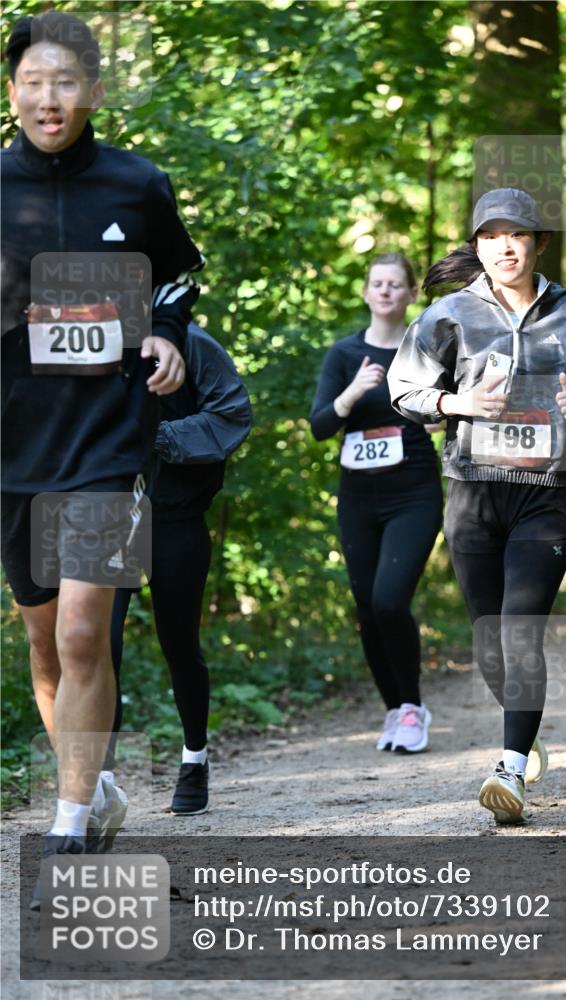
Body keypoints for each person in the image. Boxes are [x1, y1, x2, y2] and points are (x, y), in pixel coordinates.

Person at [1, 10, 203, 892]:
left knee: (87, 628)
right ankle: (98, 784)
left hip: (105, 439)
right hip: (11, 443)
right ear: (12, 88)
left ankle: (70, 819)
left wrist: (165, 333)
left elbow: (182, 271)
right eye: (34, 82)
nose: (50, 100)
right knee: (45, 643)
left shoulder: (136, 183)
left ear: (94, 89)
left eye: (67, 82)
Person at [388, 188, 566, 822]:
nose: (504, 245)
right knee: (490, 642)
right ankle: (525, 732)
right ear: (477, 245)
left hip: (545, 495)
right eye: (491, 234)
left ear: (539, 243)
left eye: (517, 234)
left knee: (522, 629)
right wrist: (456, 404)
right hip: (473, 492)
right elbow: (404, 387)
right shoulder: (448, 316)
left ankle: (511, 767)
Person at [108, 322, 252, 816]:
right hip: (101, 517)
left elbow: (232, 415)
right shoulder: (83, 335)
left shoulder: (192, 344)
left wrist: (156, 438)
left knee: (180, 645)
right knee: (97, 645)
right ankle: (98, 779)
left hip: (176, 516)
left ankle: (195, 757)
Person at [309, 253, 443, 753]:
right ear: (366, 293)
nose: (385, 291)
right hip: (358, 498)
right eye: (377, 284)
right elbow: (320, 425)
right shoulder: (346, 355)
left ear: (410, 294)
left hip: (413, 492)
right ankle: (396, 710)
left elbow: (449, 411)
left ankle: (412, 705)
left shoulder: (426, 349)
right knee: (367, 607)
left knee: (390, 599)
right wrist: (352, 393)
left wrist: (440, 418)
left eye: (395, 285)